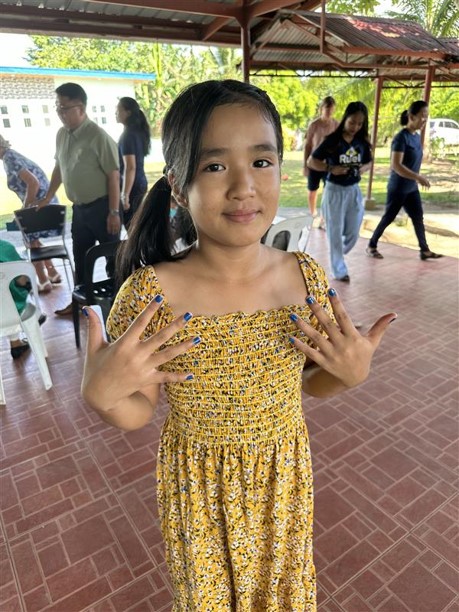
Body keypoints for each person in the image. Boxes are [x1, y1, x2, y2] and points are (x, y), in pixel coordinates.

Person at [81, 80, 395, 611]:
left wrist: (348, 373)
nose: (244, 187)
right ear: (179, 187)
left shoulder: (304, 278)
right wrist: (102, 395)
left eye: (262, 161)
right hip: (197, 489)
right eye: (216, 166)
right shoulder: (152, 292)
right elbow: (139, 409)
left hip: (282, 478)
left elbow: (311, 383)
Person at [38, 82, 121, 315]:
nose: (60, 113)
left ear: (81, 108)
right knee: (81, 256)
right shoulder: (61, 135)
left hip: (104, 207)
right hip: (80, 210)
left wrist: (114, 212)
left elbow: (113, 176)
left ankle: (118, 304)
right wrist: (47, 196)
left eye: (64, 108)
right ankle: (80, 303)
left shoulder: (98, 136)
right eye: (57, 107)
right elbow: (59, 167)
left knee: (112, 258)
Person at [366, 100, 443, 260]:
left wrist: (415, 179)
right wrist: (418, 177)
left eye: (426, 116)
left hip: (411, 188)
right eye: (422, 116)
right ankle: (371, 245)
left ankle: (424, 250)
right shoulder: (401, 138)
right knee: (389, 217)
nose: (424, 120)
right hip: (398, 187)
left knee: (417, 217)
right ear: (411, 116)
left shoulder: (415, 137)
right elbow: (396, 165)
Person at [308, 101, 372, 282]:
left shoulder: (362, 142)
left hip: (353, 190)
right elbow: (312, 162)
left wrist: (362, 169)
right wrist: (330, 168)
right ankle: (339, 270)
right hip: (334, 191)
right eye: (352, 122)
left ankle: (337, 251)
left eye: (359, 124)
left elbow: (369, 162)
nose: (355, 127)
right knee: (334, 232)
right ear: (345, 119)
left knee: (353, 231)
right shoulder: (332, 141)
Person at [0, 135, 62, 292]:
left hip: (41, 206)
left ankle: (43, 281)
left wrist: (25, 208)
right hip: (47, 206)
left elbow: (33, 182)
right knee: (33, 240)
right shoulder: (11, 156)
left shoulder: (10, 159)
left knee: (29, 240)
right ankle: (52, 273)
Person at [0, 239, 46, 359]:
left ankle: (16, 343)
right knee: (12, 297)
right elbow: (22, 279)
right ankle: (36, 316)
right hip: (12, 311)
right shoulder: (5, 247)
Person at [115, 96, 151, 230]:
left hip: (132, 187)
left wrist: (125, 195)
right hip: (141, 182)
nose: (116, 113)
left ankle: (139, 251)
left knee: (133, 229)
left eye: (118, 110)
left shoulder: (127, 136)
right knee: (138, 226)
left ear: (128, 112)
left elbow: (130, 167)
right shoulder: (137, 132)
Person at [303, 96, 338, 228]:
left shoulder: (336, 125)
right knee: (312, 191)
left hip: (329, 164)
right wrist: (305, 165)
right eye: (327, 109)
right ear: (321, 109)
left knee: (328, 191)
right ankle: (312, 214)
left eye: (331, 110)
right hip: (313, 162)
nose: (329, 112)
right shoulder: (314, 125)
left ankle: (324, 217)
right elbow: (307, 146)